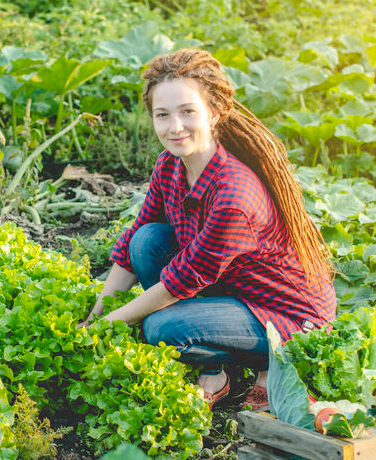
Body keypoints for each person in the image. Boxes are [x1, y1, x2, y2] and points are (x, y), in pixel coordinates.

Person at [80, 49, 336, 410]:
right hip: (236, 287)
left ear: (214, 113)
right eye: (162, 115)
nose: (175, 127)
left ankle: (272, 363)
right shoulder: (170, 165)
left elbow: (177, 285)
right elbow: (132, 243)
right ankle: (215, 373)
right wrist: (95, 313)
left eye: (188, 112)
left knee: (161, 330)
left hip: (289, 316)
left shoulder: (234, 195)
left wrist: (106, 325)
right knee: (146, 240)